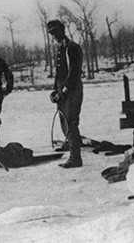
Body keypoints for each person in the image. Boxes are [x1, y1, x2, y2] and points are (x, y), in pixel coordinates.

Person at [47, 19, 84, 168]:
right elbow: (59, 74)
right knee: (64, 122)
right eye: (51, 34)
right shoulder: (61, 49)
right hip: (63, 91)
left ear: (61, 31)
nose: (53, 37)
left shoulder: (72, 48)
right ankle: (70, 147)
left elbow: (74, 74)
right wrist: (55, 91)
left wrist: (63, 91)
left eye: (54, 33)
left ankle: (75, 158)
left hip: (72, 90)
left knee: (71, 123)